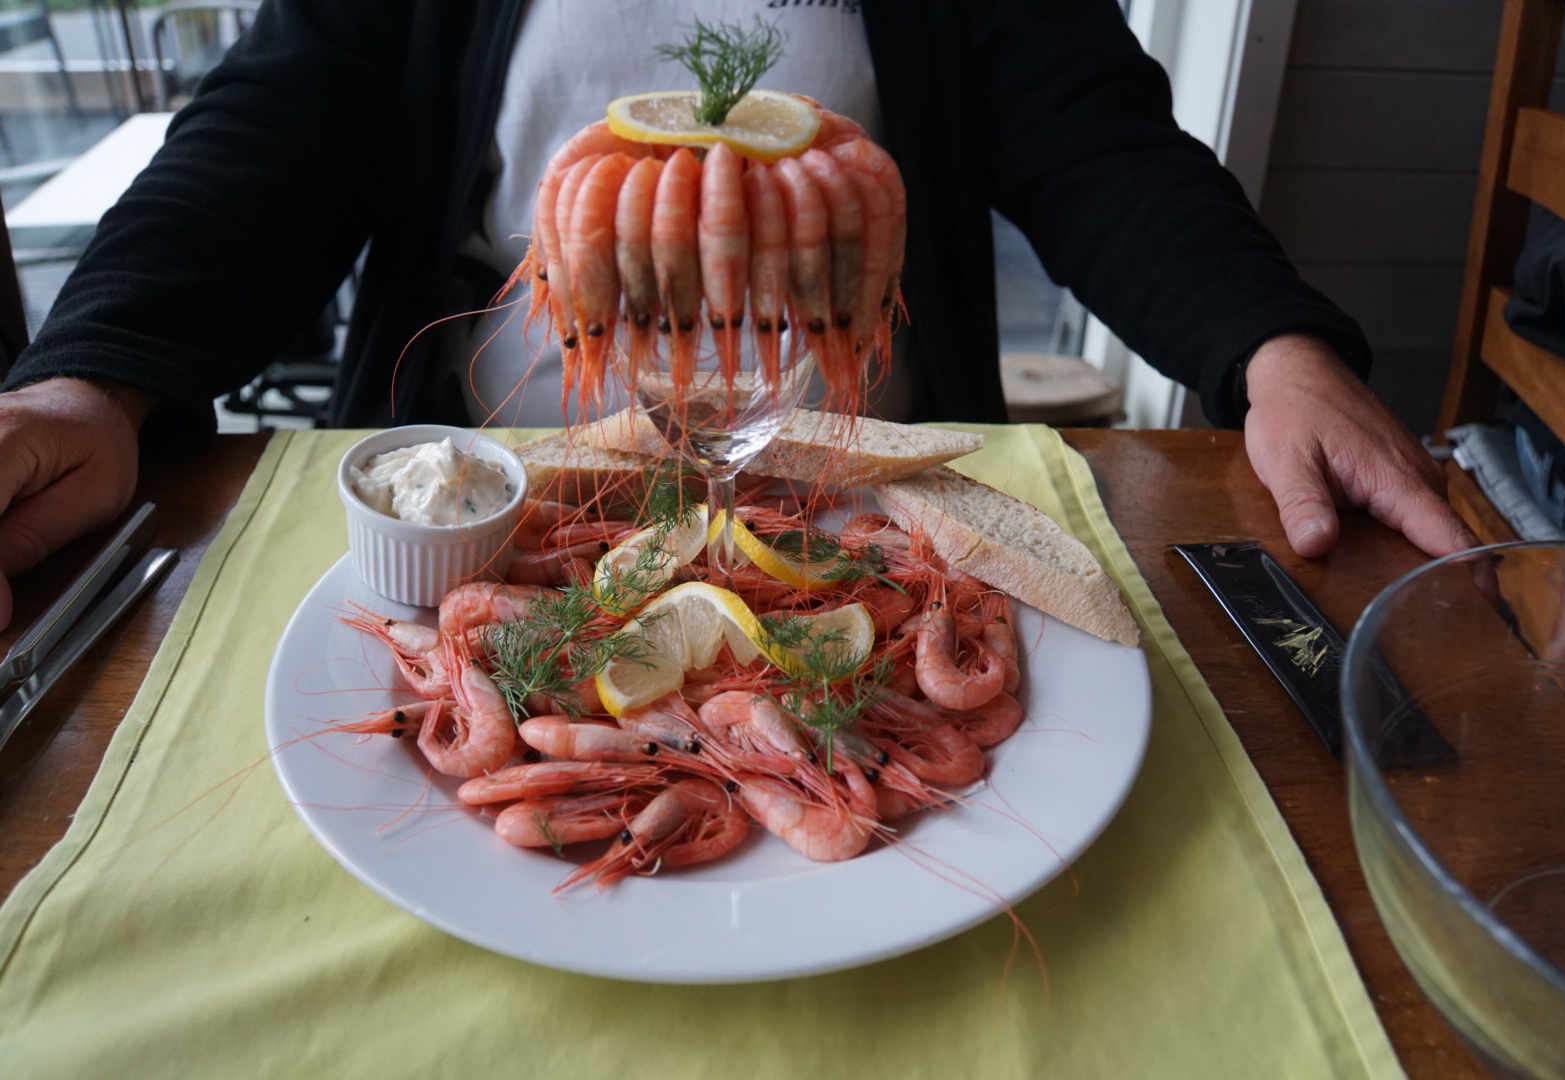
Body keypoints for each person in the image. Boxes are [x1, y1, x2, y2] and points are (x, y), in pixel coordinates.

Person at [0, 0, 1472, 630]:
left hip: (853, 493)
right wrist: (92, 380)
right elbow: (272, 133)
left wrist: (1270, 347)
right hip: (493, 498)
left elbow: (1094, 138)